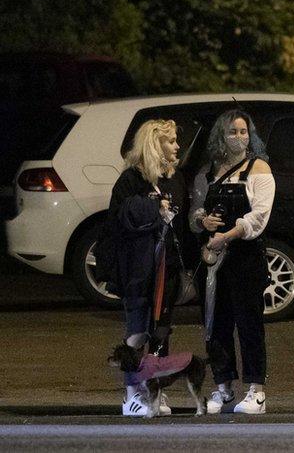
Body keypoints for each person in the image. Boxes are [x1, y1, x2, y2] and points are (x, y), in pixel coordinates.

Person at [189, 109, 276, 414]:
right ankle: (223, 386)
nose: (239, 137)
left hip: (245, 257)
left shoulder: (259, 168)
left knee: (249, 323)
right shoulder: (208, 172)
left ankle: (256, 391)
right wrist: (204, 221)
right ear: (220, 136)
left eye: (243, 131)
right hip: (214, 260)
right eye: (232, 132)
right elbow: (195, 213)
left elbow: (259, 217)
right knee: (216, 323)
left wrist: (226, 235)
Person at [108, 119, 187, 416]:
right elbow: (117, 225)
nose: (177, 146)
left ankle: (156, 391)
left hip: (167, 268)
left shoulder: (175, 178)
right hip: (138, 270)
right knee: (137, 331)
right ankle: (131, 394)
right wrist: (154, 209)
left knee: (161, 331)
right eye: (171, 141)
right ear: (154, 144)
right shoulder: (130, 180)